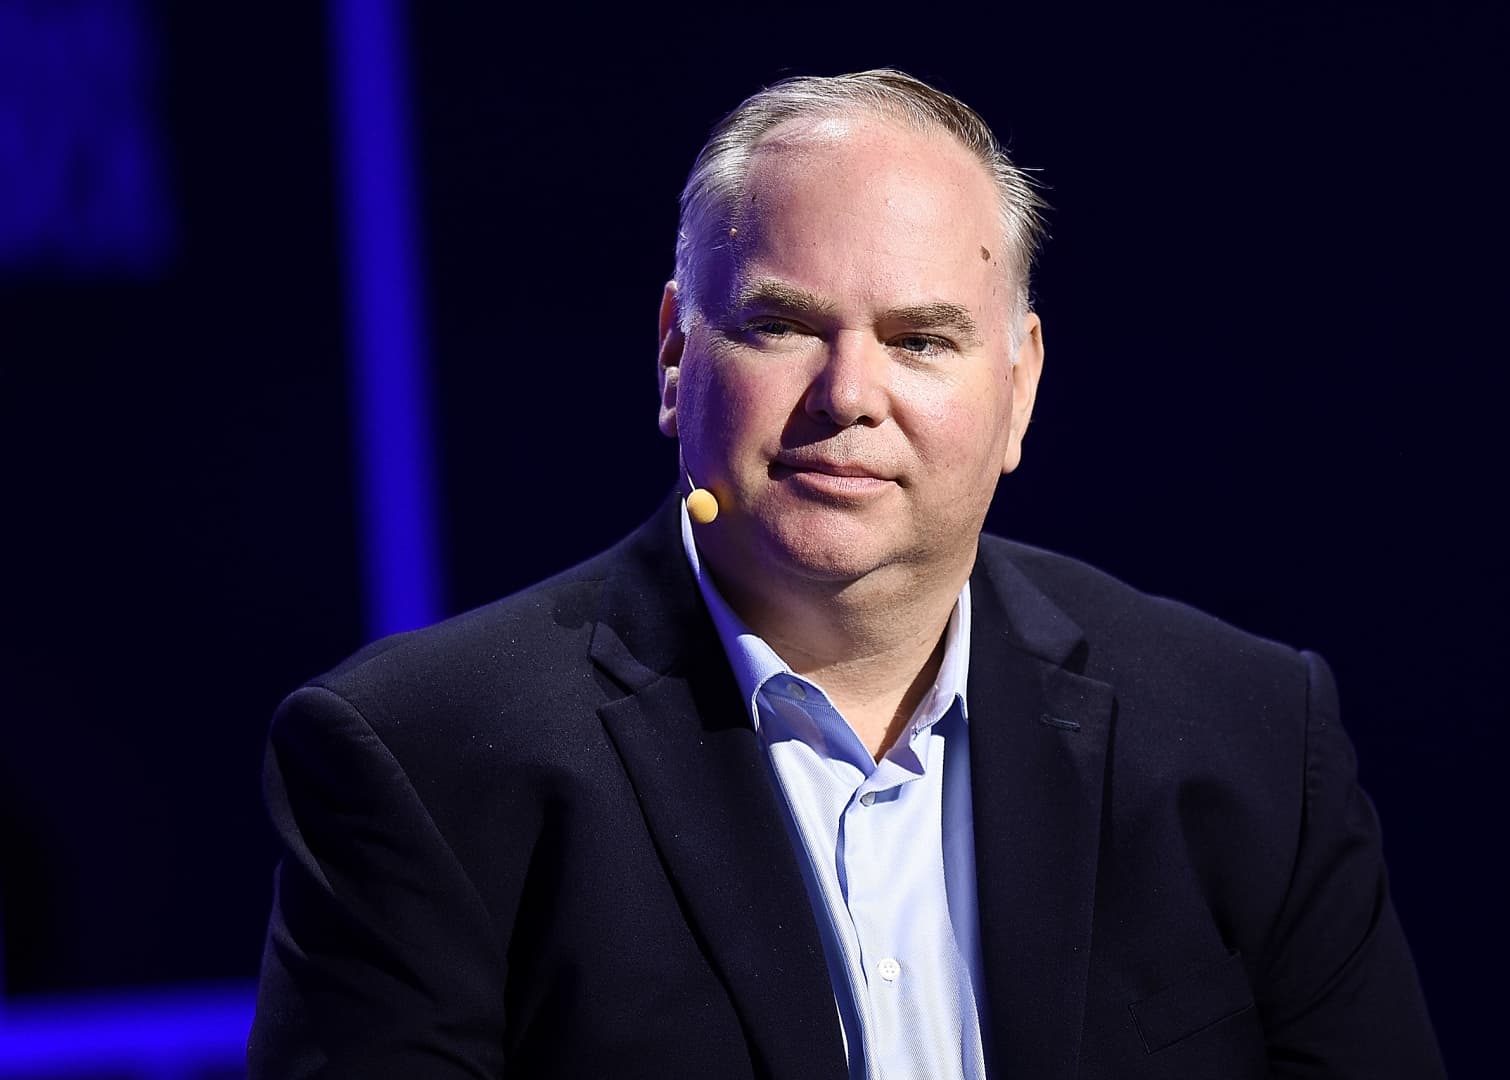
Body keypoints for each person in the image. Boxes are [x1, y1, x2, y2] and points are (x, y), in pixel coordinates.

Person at [248, 69, 1444, 1079]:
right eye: (783, 326)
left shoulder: (1249, 736)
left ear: (1019, 388)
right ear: (674, 355)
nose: (849, 396)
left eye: (920, 340)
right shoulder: (428, 761)